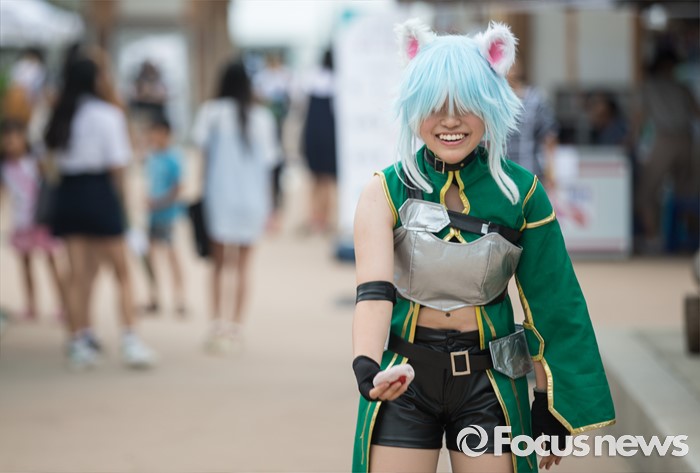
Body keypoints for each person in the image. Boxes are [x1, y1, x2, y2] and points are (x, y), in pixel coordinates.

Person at [351, 20, 615, 473]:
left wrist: (547, 401)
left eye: (466, 105)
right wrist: (367, 369)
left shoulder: (522, 193)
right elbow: (374, 294)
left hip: (489, 381)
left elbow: (553, 302)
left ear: (491, 104)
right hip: (404, 377)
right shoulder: (384, 191)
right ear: (413, 107)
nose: (450, 120)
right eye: (435, 105)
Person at [44, 54, 155, 370]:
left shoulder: (59, 114)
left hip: (68, 193)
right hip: (99, 191)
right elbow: (118, 166)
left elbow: (47, 160)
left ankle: (78, 340)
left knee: (77, 274)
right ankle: (130, 339)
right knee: (122, 271)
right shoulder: (108, 115)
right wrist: (124, 207)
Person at [192, 60, 277, 354]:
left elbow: (202, 161)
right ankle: (236, 327)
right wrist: (272, 206)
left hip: (219, 197)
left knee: (218, 264)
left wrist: (200, 193)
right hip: (254, 200)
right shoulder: (262, 118)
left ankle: (217, 324)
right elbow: (270, 167)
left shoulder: (210, 113)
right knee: (243, 266)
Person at [632, 49, 700, 252]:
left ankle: (653, 239)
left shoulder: (648, 87)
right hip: (686, 139)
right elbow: (696, 112)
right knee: (687, 193)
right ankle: (689, 240)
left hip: (664, 139)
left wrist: (633, 141)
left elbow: (640, 117)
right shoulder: (682, 87)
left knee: (647, 192)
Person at [0, 119, 65, 321]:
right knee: (25, 265)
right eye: (6, 140)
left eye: (14, 139)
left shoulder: (35, 162)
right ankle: (31, 305)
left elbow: (52, 179)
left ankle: (63, 304)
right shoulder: (5, 167)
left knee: (51, 262)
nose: (10, 144)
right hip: (21, 222)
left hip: (41, 219)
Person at [142, 114, 186, 316]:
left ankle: (179, 297)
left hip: (168, 214)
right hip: (153, 214)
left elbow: (179, 187)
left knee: (171, 256)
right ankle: (154, 296)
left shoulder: (174, 157)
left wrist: (160, 202)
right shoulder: (152, 156)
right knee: (150, 256)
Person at [505, 59, 558, 187]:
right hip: (501, 175)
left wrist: (551, 171)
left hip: (530, 172)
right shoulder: (493, 99)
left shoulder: (535, 99)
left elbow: (549, 137)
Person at [301, 49, 337, 234]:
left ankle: (314, 217)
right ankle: (325, 218)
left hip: (312, 133)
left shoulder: (312, 78)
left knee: (315, 179)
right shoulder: (339, 81)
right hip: (330, 135)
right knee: (327, 180)